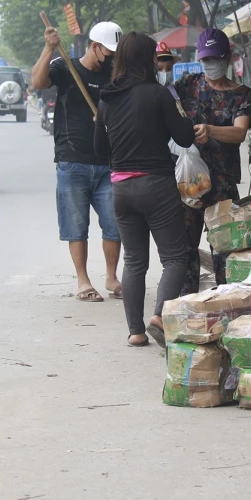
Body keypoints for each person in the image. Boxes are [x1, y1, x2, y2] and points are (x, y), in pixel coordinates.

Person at [93, 33, 196, 348]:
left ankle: (135, 332)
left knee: (135, 260)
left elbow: (99, 152)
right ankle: (159, 316)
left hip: (121, 188)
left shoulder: (106, 98)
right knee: (176, 257)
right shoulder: (159, 94)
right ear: (147, 59)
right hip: (156, 184)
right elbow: (185, 138)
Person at [32, 22, 123, 303]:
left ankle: (111, 277)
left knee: (114, 224)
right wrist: (48, 48)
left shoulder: (115, 75)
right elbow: (37, 83)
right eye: (108, 53)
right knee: (76, 225)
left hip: (108, 162)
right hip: (72, 161)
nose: (111, 58)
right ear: (95, 47)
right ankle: (83, 281)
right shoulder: (65, 67)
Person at [176, 28, 251, 292]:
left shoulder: (241, 95)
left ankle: (226, 301)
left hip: (223, 183)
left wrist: (210, 130)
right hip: (189, 182)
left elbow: (239, 132)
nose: (211, 65)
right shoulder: (187, 86)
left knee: (223, 248)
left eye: (216, 58)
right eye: (206, 60)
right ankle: (187, 305)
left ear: (228, 57)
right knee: (185, 249)